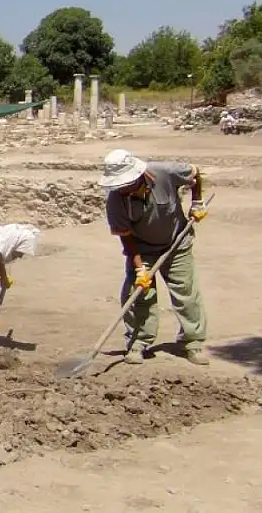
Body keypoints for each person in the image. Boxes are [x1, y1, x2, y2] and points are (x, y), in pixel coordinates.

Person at [99, 149, 210, 366]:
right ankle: (138, 342)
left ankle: (192, 342)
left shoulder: (165, 172)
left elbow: (196, 175)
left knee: (186, 293)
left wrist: (197, 202)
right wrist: (140, 269)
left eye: (126, 183)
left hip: (177, 243)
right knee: (139, 294)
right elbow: (127, 238)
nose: (122, 188)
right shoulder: (115, 201)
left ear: (137, 175)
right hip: (141, 248)